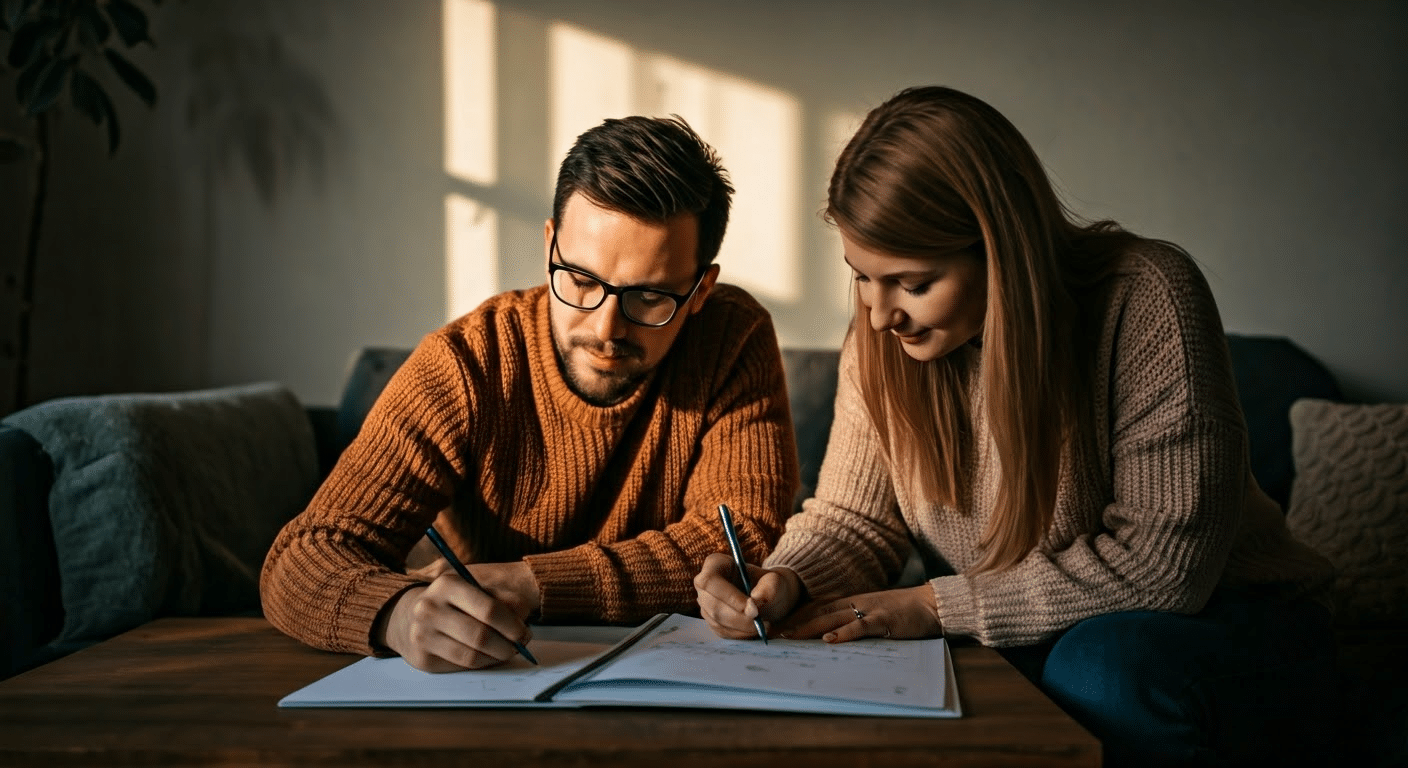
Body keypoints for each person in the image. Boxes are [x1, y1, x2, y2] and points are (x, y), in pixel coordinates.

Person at [694, 86, 1338, 767]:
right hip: (1034, 633)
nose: (880, 315)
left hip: (1228, 622)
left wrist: (936, 608)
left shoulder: (1148, 298)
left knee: (1097, 667)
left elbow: (1163, 567)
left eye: (913, 283)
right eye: (862, 277)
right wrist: (786, 579)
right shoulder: (881, 339)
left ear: (1001, 249)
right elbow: (857, 518)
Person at [262, 115, 798, 673]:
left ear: (700, 290)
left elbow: (736, 546)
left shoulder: (731, 338)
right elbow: (300, 559)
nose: (606, 327)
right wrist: (398, 613)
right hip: (491, 673)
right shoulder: (467, 362)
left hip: (678, 673)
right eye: (581, 280)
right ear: (549, 246)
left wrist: (532, 581)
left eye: (649, 296)